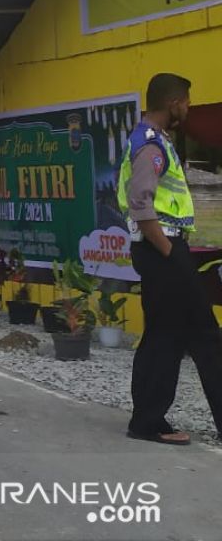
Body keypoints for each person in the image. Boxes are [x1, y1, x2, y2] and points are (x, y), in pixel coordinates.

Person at [119, 73, 222, 446]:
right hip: (163, 250)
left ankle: (146, 419)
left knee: (167, 335)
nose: (189, 109)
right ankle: (147, 419)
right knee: (204, 336)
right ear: (174, 102)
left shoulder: (151, 140)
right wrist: (166, 249)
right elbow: (140, 203)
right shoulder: (151, 146)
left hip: (161, 250)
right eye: (188, 103)